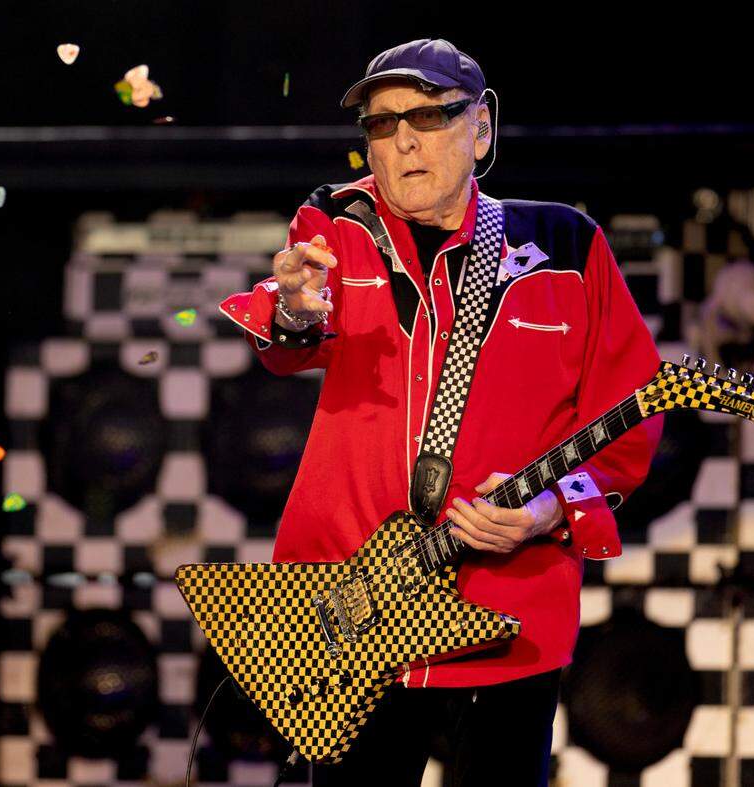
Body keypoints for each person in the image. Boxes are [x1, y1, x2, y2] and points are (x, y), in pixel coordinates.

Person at [217, 38, 663, 787]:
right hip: (352, 618)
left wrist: (552, 508)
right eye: (382, 125)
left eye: (427, 116)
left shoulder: (564, 246)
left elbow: (632, 419)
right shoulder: (337, 223)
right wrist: (293, 307)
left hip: (506, 614)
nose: (403, 141)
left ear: (482, 128)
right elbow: (294, 334)